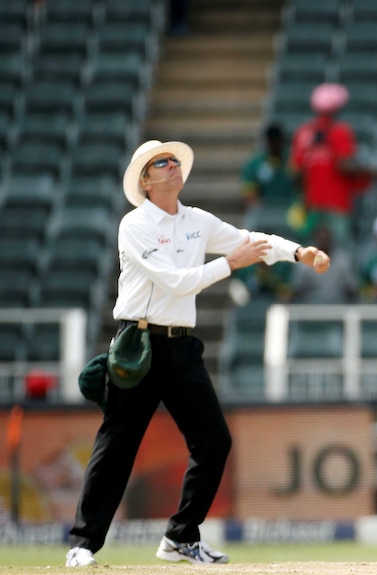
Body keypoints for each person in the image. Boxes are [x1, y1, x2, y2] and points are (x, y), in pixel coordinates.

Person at [64, 139, 331, 568]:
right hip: (139, 345)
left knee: (214, 442)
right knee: (117, 447)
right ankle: (83, 543)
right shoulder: (134, 225)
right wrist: (231, 264)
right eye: (161, 163)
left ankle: (180, 538)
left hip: (181, 346)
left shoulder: (197, 220)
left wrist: (297, 252)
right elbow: (174, 282)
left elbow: (249, 239)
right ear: (146, 180)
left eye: (174, 161)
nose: (172, 166)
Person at [290, 83, 371, 244]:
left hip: (311, 204)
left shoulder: (303, 132)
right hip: (337, 204)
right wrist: (367, 172)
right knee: (338, 248)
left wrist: (305, 198)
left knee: (311, 252)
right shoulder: (341, 132)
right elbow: (344, 166)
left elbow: (296, 172)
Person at [288, 224, 358, 304]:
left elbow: (351, 289)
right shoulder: (304, 262)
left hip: (339, 307)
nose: (323, 242)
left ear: (331, 240)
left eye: (326, 239)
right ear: (315, 240)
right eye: (321, 239)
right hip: (310, 308)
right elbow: (296, 290)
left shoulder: (343, 260)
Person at [240, 122, 295, 209]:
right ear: (267, 142)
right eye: (272, 141)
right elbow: (249, 194)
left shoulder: (293, 161)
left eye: (277, 141)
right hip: (264, 212)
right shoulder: (255, 164)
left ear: (283, 141)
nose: (275, 145)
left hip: (291, 211)